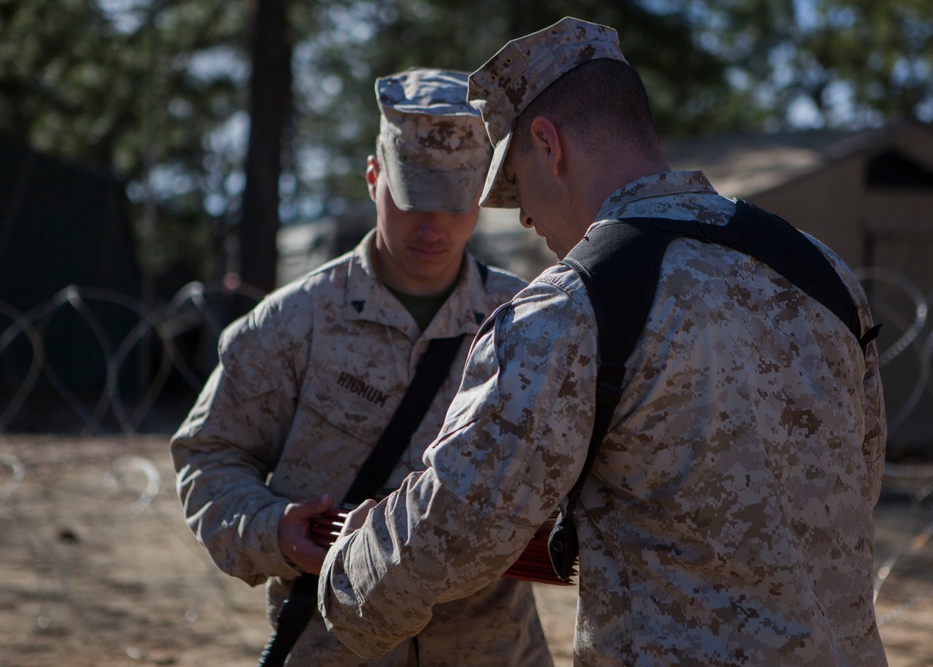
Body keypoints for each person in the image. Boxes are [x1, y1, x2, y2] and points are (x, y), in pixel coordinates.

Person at [319, 18, 888, 666]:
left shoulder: (571, 306)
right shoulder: (823, 272)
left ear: (548, 143)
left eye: (516, 187)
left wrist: (346, 573)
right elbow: (859, 481)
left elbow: (453, 527)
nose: (526, 217)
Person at [170, 67, 553, 666]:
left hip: (491, 650)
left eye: (454, 203)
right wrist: (272, 530)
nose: (433, 225)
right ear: (374, 177)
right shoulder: (290, 325)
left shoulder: (529, 322)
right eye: (412, 198)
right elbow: (209, 458)